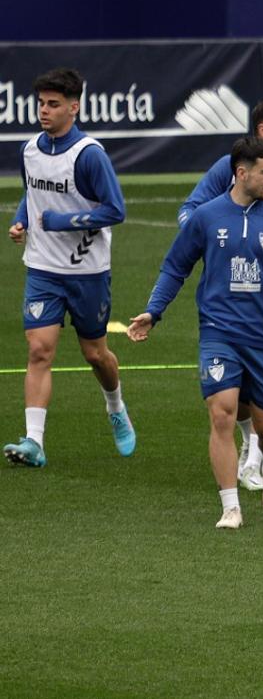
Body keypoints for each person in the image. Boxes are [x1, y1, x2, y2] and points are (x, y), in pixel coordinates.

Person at [127, 138, 263, 528]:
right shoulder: (206, 217)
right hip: (219, 332)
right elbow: (175, 267)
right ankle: (230, 506)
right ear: (241, 173)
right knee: (222, 415)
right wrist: (154, 311)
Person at [5, 68, 136, 468]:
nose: (44, 110)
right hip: (43, 269)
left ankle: (115, 405)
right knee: (39, 350)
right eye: (41, 103)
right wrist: (21, 219)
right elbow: (33, 193)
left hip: (87, 272)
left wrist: (62, 222)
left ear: (74, 107)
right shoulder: (30, 150)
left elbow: (116, 211)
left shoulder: (89, 155)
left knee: (95, 354)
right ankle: (34, 441)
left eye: (53, 104)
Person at [177, 99, 263, 491]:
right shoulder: (232, 166)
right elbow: (191, 209)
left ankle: (262, 449)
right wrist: (209, 236)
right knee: (233, 387)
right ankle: (249, 453)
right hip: (233, 293)